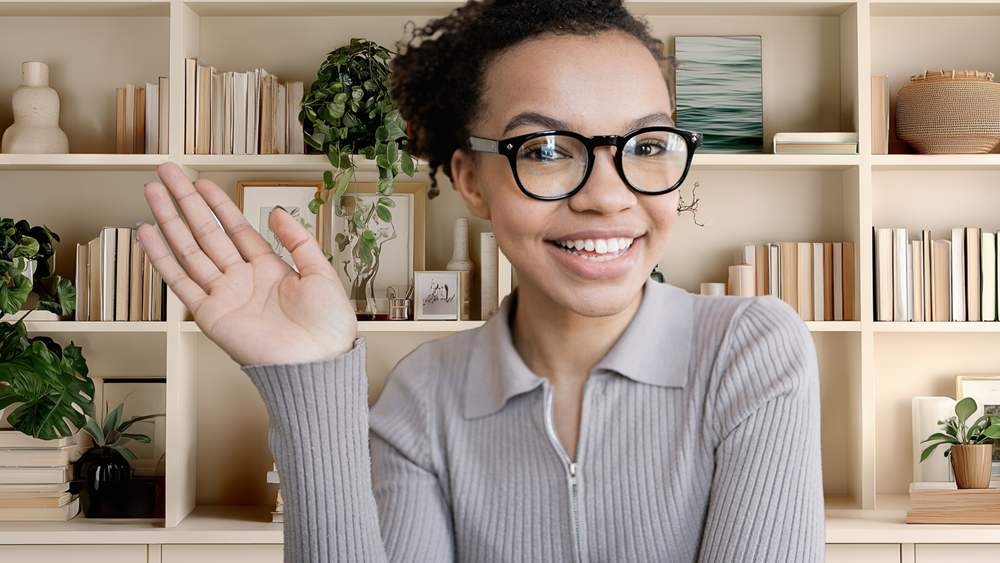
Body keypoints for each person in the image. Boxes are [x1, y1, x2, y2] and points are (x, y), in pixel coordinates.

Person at [138, 0, 825, 561]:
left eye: (645, 145)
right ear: (471, 181)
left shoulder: (751, 353)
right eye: (547, 150)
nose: (608, 197)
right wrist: (309, 378)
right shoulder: (424, 396)